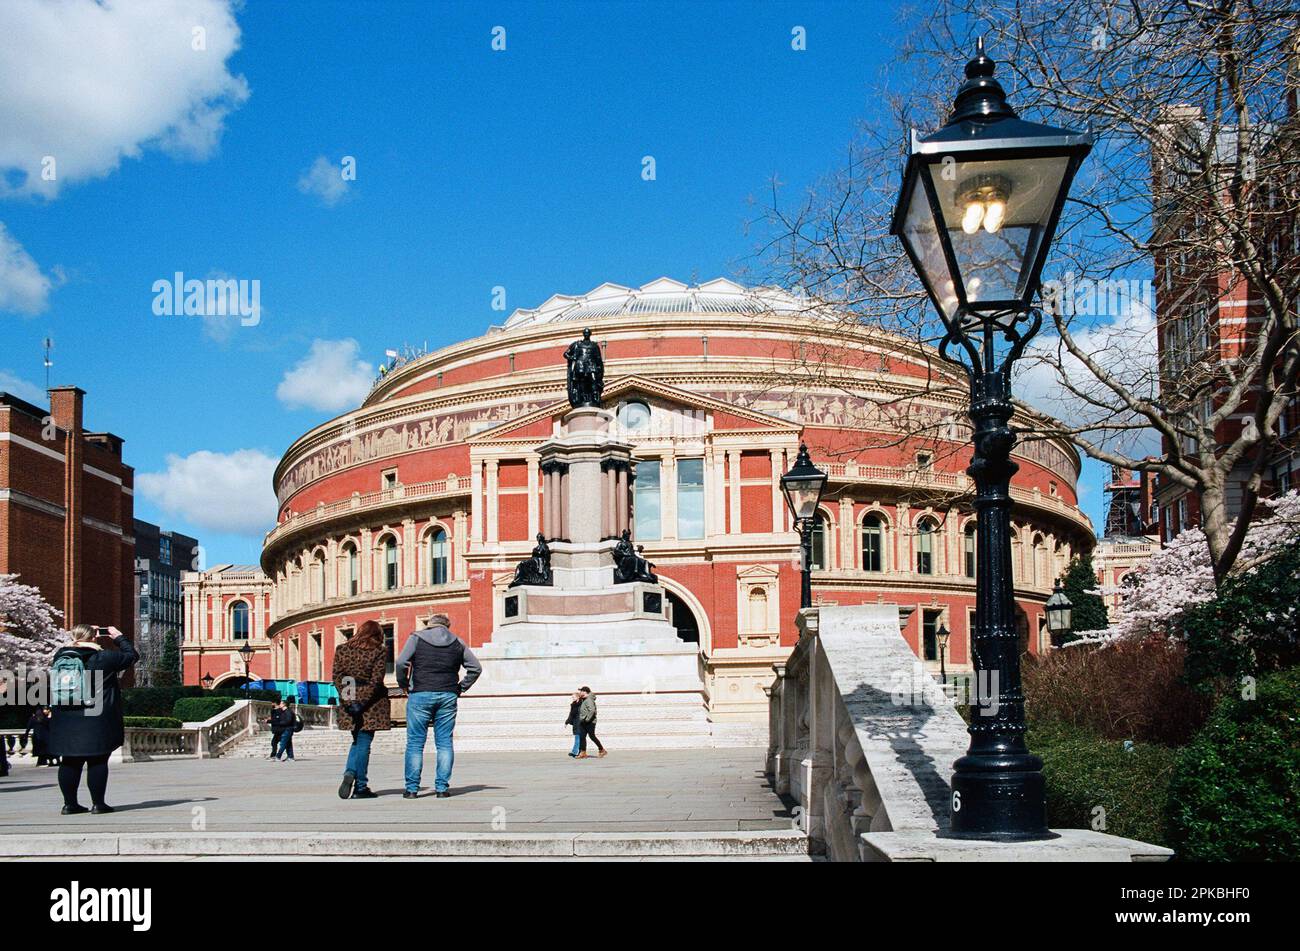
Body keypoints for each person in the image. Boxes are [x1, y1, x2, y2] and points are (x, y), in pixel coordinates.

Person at [48, 624, 138, 815]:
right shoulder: (103, 657)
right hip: (96, 717)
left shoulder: (60, 656)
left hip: (66, 717)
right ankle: (98, 804)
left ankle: (69, 804)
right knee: (97, 760)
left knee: (69, 761)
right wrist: (118, 637)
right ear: (94, 637)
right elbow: (131, 656)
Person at [396, 613, 482, 798]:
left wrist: (404, 684)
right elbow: (476, 668)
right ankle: (442, 788)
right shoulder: (458, 642)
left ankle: (412, 789)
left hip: (420, 693)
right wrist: (460, 688)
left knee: (415, 743)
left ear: (430, 625)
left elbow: (401, 662)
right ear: (446, 626)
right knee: (444, 742)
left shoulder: (416, 638)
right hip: (447, 695)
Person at [332, 620, 391, 800]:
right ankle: (360, 785)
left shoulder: (342, 649)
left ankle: (350, 772)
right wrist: (363, 702)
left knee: (357, 740)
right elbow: (376, 680)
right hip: (371, 705)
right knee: (364, 742)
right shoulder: (379, 650)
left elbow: (338, 677)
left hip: (349, 701)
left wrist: (350, 701)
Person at [576, 686, 606, 759]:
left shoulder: (589, 699)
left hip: (590, 722)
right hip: (584, 721)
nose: (579, 693)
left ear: (585, 692)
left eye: (581, 691)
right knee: (582, 736)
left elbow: (592, 710)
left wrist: (587, 719)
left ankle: (601, 750)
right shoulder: (584, 699)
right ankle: (583, 752)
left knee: (592, 736)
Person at [564, 691, 584, 758]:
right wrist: (567, 722)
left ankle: (576, 752)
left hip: (580, 723)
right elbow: (571, 715)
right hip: (576, 723)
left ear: (577, 697)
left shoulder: (582, 704)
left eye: (573, 697)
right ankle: (577, 751)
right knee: (577, 737)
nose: (572, 698)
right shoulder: (573, 705)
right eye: (572, 697)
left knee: (578, 738)